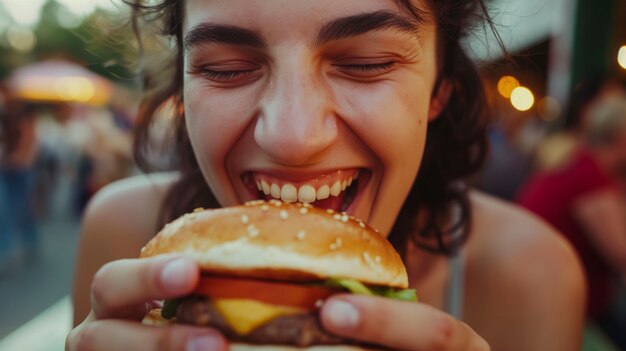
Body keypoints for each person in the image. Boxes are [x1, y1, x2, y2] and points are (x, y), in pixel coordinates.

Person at [67, 1, 585, 350]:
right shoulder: (121, 232)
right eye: (225, 68)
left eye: (366, 63)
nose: (292, 137)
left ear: (438, 91)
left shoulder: (531, 273)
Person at [517, 92, 626, 349]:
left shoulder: (578, 161)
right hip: (546, 309)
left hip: (543, 299)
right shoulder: (589, 178)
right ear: (621, 138)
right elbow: (622, 253)